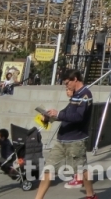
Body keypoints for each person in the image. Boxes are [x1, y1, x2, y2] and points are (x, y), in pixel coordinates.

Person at [35, 70, 96, 199]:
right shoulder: (75, 95)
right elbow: (67, 112)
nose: (66, 86)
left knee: (81, 169)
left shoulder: (85, 95)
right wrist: (51, 116)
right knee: (48, 168)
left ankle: (91, 195)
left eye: (67, 83)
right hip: (62, 139)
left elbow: (79, 116)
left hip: (76, 140)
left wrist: (59, 114)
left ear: (75, 79)